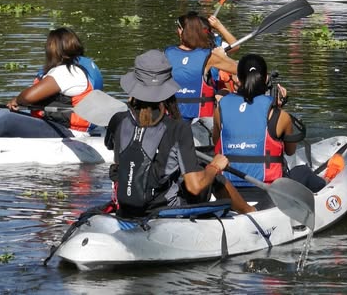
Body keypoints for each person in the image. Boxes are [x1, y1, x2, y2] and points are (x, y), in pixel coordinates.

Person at [106, 49, 255, 218]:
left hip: (126, 207)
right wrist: (215, 166)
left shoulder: (118, 121)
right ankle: (251, 214)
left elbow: (115, 150)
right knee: (213, 177)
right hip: (162, 210)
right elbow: (194, 186)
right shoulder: (178, 128)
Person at [213, 54, 325, 192]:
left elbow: (218, 143)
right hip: (269, 189)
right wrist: (278, 109)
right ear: (266, 78)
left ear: (238, 79)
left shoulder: (220, 110)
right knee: (304, 172)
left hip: (229, 189)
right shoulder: (280, 116)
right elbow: (290, 151)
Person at [164, 12, 239, 122]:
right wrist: (223, 58)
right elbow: (240, 69)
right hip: (199, 117)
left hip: (180, 117)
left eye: (178, 28)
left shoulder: (167, 53)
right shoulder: (210, 55)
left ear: (181, 32)